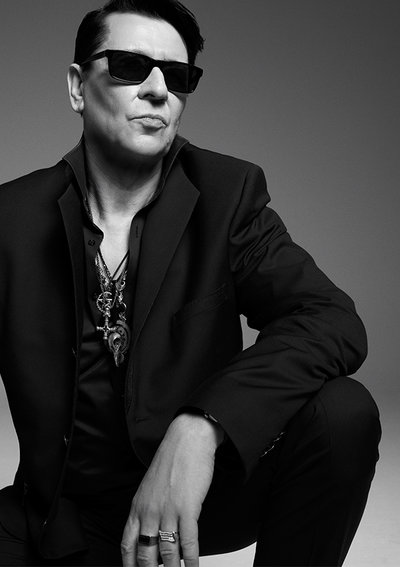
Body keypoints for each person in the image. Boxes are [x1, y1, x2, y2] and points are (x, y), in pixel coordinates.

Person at [0, 0, 381, 566]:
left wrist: (203, 424)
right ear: (78, 87)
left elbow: (330, 320)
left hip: (202, 500)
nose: (158, 91)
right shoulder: (11, 218)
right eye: (130, 67)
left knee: (342, 412)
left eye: (177, 77)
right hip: (64, 517)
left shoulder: (227, 195)